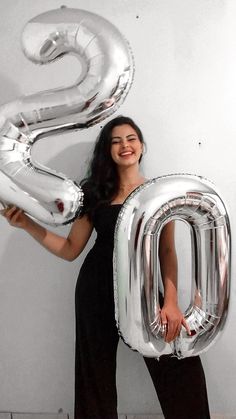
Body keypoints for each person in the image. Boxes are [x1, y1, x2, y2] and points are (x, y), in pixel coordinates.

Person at [1, 116, 210, 419]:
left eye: (130, 139)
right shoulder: (93, 194)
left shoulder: (160, 192)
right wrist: (27, 224)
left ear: (141, 145)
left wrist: (172, 300)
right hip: (97, 289)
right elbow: (71, 249)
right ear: (107, 151)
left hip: (147, 291)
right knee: (94, 378)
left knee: (179, 362)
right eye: (116, 141)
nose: (124, 145)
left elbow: (167, 251)